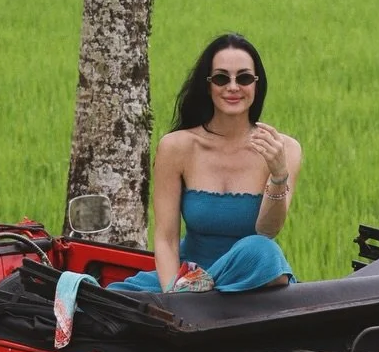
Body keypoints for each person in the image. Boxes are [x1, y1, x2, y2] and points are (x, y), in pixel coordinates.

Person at [112, 33, 300, 294]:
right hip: (184, 281)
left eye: (244, 78)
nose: (232, 87)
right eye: (222, 78)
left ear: (257, 85)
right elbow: (166, 239)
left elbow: (268, 230)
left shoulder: (283, 149)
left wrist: (279, 175)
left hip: (250, 280)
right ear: (208, 85)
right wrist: (173, 296)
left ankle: (209, 289)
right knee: (108, 300)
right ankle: (200, 291)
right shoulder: (176, 147)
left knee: (261, 250)